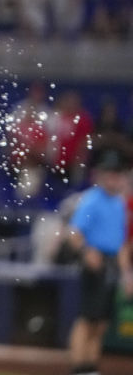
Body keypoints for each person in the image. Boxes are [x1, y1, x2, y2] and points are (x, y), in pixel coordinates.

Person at [66, 148, 133, 375]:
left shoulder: (120, 203)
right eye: (110, 173)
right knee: (87, 318)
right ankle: (78, 367)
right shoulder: (91, 200)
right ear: (101, 175)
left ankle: (90, 367)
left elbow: (122, 243)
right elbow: (74, 233)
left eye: (117, 173)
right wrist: (86, 252)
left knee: (101, 321)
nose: (114, 178)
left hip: (112, 262)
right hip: (95, 261)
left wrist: (126, 274)